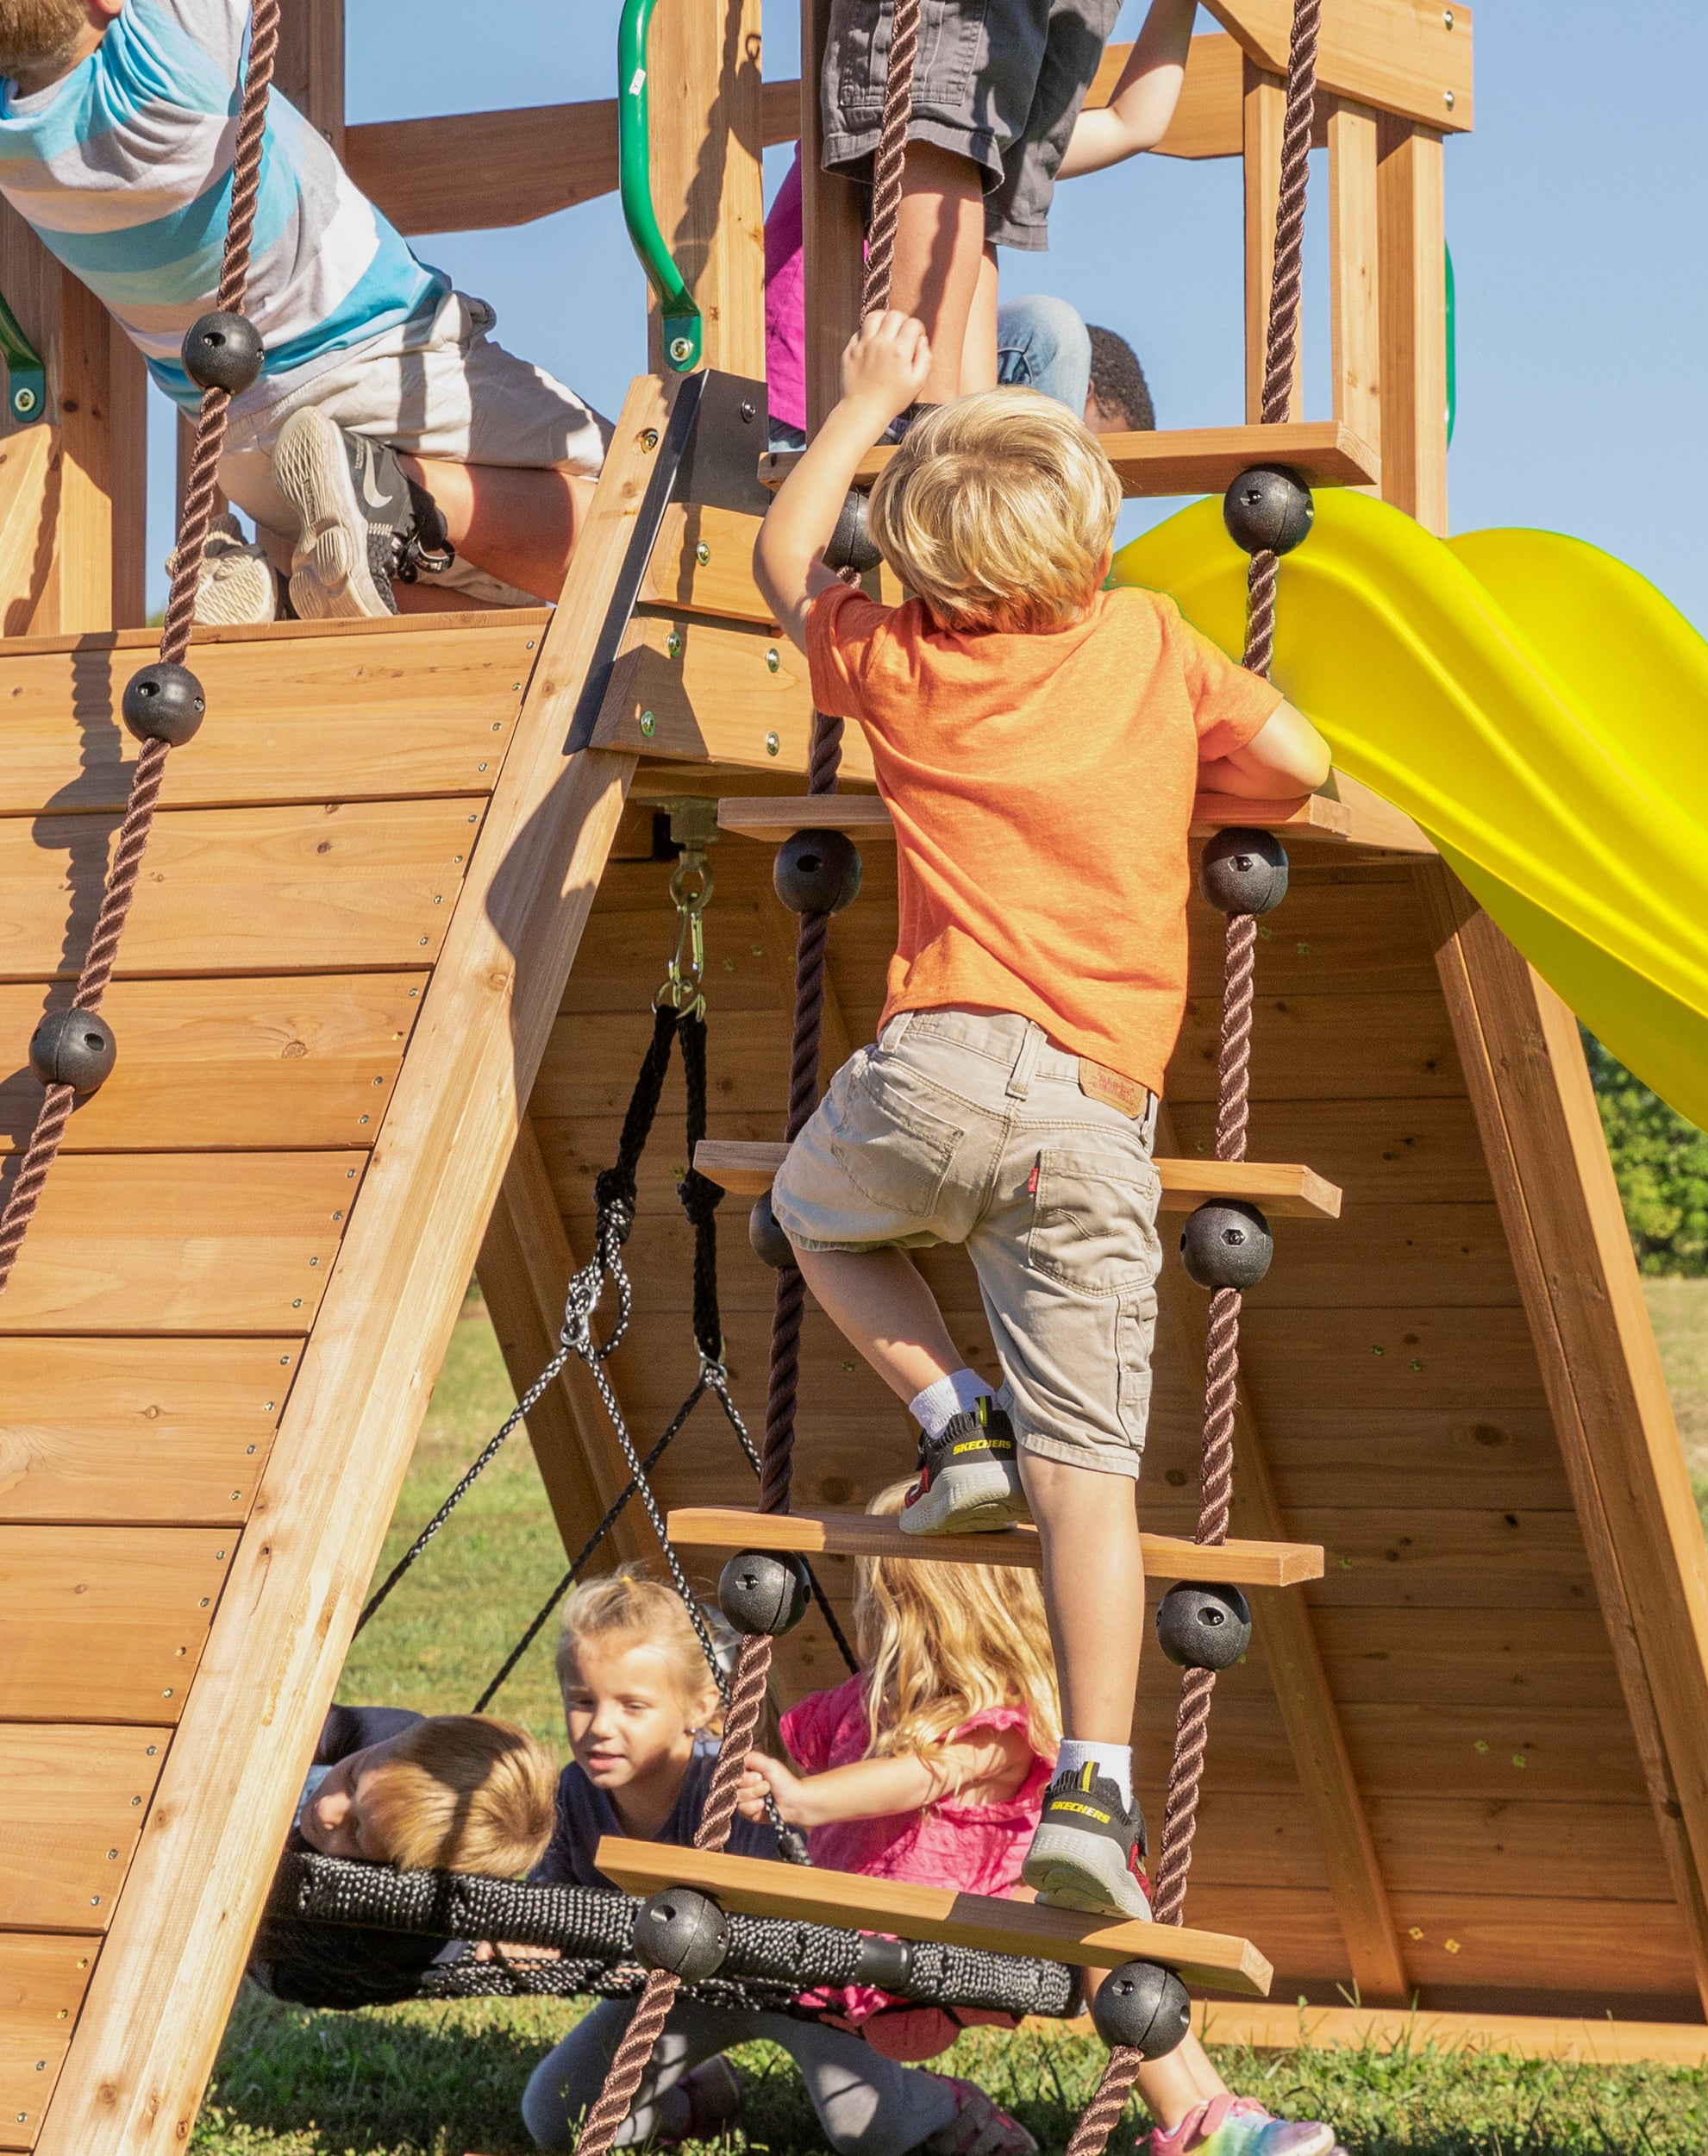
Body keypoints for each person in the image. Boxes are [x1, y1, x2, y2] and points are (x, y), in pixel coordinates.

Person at [749, 317, 1331, 1923]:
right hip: (1092, 1108)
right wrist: (1186, 790)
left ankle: (952, 1424)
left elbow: (783, 549)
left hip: (931, 1064)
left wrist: (866, 397)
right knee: (1098, 1479)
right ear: (1089, 535)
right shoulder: (1149, 647)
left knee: (814, 1212)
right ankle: (1094, 1784)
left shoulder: (900, 658)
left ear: (922, 559)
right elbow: (1300, 760)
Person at [739, 1486, 1337, 2156]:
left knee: (1098, 1901)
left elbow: (922, 1774)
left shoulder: (1001, 1728)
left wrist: (804, 1800)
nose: (867, 1612)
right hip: (884, 1948)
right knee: (1094, 1910)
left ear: (924, 1612)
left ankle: (1207, 2112)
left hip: (963, 1929)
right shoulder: (859, 1705)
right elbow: (792, 1748)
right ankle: (1199, 2125)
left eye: (881, 1596)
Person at [0, 0, 609, 623]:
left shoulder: (13, 150)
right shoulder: (162, 50)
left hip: (245, 451)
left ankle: (291, 591)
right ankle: (393, 494)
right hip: (374, 365)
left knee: (478, 585)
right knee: (647, 509)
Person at [521, 1566, 1035, 2156]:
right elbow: (555, 1901)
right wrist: (531, 1936)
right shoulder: (574, 1793)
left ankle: (946, 2104)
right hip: (679, 1988)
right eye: (582, 1701)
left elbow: (811, 1891)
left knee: (870, 2133)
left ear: (701, 1707)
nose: (600, 1728)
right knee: (557, 2115)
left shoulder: (732, 1787)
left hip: (799, 1989)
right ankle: (696, 2098)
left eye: (632, 1707)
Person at [768, 0, 1195, 442]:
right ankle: (945, 442)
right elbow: (938, 116)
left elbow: (1135, 124)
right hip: (809, 387)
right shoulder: (918, 120)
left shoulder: (975, 154)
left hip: (917, 382)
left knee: (1050, 329)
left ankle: (975, 459)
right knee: (941, 123)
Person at [248, 1704, 557, 2007]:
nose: (328, 1808)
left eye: (356, 1833)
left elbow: (452, 1937)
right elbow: (284, 1722)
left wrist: (499, 1935)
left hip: (294, 1949)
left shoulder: (405, 1933)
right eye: (353, 1780)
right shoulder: (391, 1736)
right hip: (296, 1812)